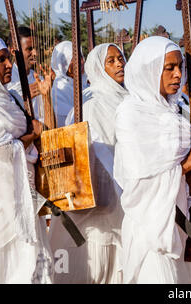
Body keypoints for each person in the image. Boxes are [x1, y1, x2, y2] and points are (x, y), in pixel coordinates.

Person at [114, 36, 191, 283]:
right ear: (150, 70)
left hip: (176, 225)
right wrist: (188, 165)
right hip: (149, 230)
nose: (178, 74)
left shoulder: (173, 113)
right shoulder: (131, 113)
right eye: (170, 68)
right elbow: (138, 183)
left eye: (180, 67)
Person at [50, 43, 127, 284]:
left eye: (121, 58)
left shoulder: (128, 99)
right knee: (95, 265)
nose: (119, 64)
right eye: (111, 61)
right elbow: (94, 152)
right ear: (97, 68)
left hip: (124, 195)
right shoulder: (89, 102)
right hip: (100, 201)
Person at [0, 35, 53, 284]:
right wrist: (31, 136)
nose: (8, 65)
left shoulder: (11, 98)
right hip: (0, 205)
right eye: (0, 60)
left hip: (27, 198)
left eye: (8, 58)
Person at [6, 26, 46, 123]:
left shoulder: (39, 79)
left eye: (36, 48)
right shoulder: (6, 81)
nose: (35, 53)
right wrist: (20, 98)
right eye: (29, 49)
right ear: (13, 52)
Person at [50, 41, 87, 127]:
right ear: (63, 64)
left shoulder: (84, 83)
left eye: (81, 57)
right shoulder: (59, 88)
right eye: (75, 59)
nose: (81, 62)